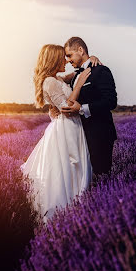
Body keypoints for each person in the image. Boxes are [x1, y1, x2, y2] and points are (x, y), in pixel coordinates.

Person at [20, 44, 101, 223]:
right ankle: (65, 217)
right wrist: (79, 85)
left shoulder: (55, 78)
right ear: (54, 60)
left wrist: (91, 60)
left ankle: (77, 211)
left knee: (75, 168)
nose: (66, 60)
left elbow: (74, 73)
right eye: (62, 57)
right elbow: (66, 108)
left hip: (72, 127)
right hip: (66, 128)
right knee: (67, 168)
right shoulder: (49, 81)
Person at [61, 37, 117, 176]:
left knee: (101, 176)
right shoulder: (75, 76)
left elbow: (111, 101)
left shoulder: (101, 71)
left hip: (99, 134)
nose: (67, 60)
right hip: (79, 135)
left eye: (69, 55)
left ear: (80, 50)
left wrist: (81, 108)